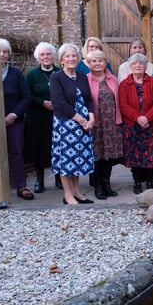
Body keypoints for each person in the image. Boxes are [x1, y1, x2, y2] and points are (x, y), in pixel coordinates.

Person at [50, 43, 95, 205]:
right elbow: (59, 103)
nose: (71, 59)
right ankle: (67, 194)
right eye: (67, 56)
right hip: (66, 125)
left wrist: (91, 118)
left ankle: (76, 191)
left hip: (83, 126)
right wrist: (81, 119)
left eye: (74, 56)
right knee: (66, 160)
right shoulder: (56, 78)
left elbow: (89, 99)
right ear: (61, 60)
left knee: (78, 159)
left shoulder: (82, 76)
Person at [119, 53, 153, 194]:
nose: (138, 66)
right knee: (135, 156)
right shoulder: (124, 84)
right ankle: (137, 182)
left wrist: (147, 118)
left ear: (145, 66)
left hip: (151, 125)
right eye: (134, 64)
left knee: (151, 154)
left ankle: (150, 181)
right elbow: (123, 105)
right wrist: (138, 118)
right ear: (130, 66)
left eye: (141, 63)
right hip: (132, 126)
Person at [86, 49, 123, 199]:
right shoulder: (85, 79)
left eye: (100, 60)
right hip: (96, 123)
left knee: (109, 156)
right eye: (94, 61)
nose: (97, 63)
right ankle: (97, 186)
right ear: (88, 63)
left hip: (111, 123)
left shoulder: (113, 79)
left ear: (105, 62)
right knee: (97, 155)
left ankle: (106, 183)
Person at [0, 38, 33, 200]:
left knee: (16, 152)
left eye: (5, 51)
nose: (2, 54)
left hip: (14, 120)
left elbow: (26, 97)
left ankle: (20, 186)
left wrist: (14, 115)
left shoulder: (16, 74)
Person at [25, 42, 60, 193]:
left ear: (53, 56)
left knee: (58, 148)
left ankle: (60, 178)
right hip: (37, 117)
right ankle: (40, 181)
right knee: (39, 149)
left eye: (48, 54)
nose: (46, 57)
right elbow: (26, 96)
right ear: (38, 58)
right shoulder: (32, 75)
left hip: (57, 117)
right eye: (42, 55)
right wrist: (42, 103)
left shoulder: (59, 72)